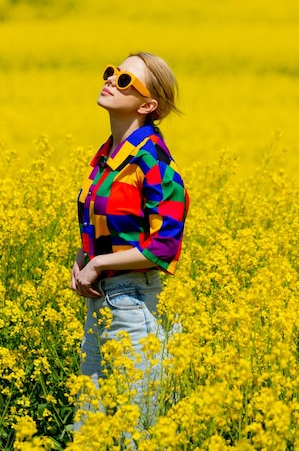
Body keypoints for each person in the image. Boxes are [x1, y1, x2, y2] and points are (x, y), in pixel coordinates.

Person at [70, 51, 189, 431]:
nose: (111, 80)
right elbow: (103, 227)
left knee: (133, 432)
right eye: (112, 72)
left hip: (133, 307)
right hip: (100, 306)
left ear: (148, 104)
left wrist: (98, 265)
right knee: (87, 430)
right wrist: (81, 258)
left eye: (125, 81)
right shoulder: (107, 158)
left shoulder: (153, 161)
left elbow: (164, 248)